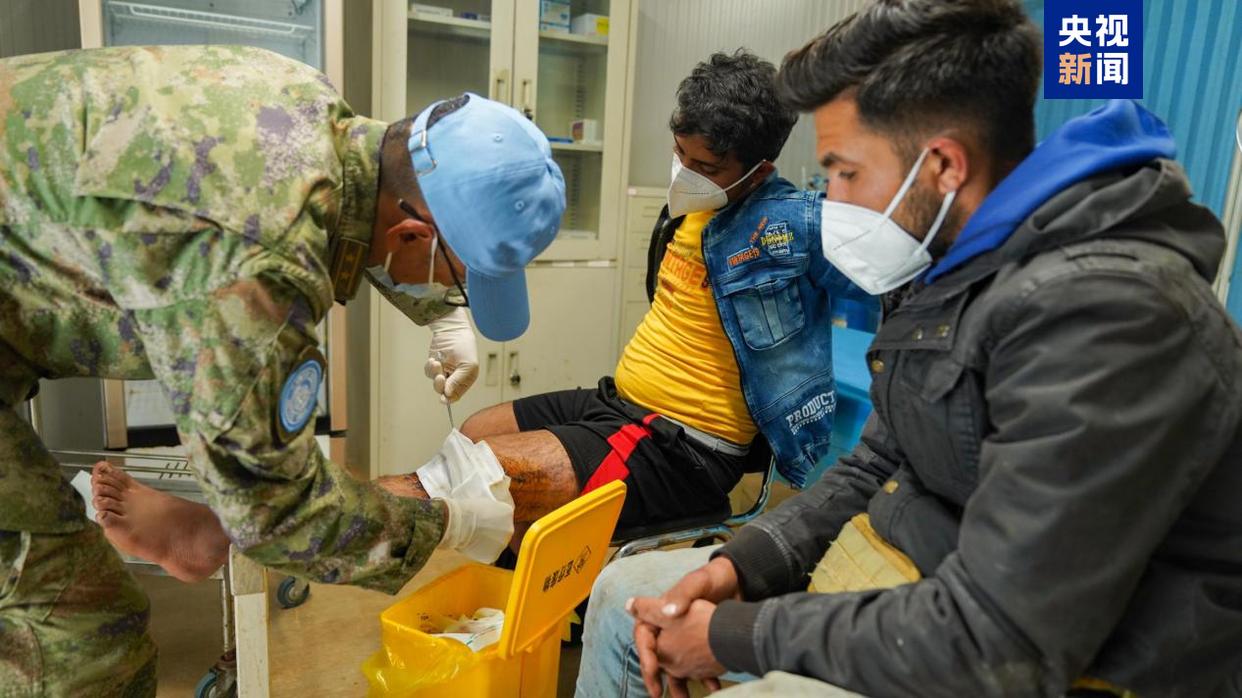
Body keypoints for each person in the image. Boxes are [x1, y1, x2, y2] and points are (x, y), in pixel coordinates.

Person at [576, 1, 1242, 697]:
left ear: (943, 166)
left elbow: (1001, 638)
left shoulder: (1110, 314)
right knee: (628, 600)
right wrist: (742, 565)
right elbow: (878, 459)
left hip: (1054, 654)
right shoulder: (944, 265)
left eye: (846, 173)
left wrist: (735, 634)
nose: (831, 202)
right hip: (918, 572)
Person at [0, 45, 563, 695]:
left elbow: (367, 201)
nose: (448, 295)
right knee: (79, 636)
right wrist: (447, 522)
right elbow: (273, 511)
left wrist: (438, 313)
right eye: (459, 283)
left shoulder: (305, 103)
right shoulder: (259, 259)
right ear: (412, 236)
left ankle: (204, 535)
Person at [456, 50, 872, 549]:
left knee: (496, 480)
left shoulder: (792, 224)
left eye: (706, 166)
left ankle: (551, 594)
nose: (685, 174)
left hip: (686, 445)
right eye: (680, 154)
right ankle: (526, 591)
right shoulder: (690, 206)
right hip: (620, 402)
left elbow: (901, 272)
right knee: (474, 434)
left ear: (758, 172)